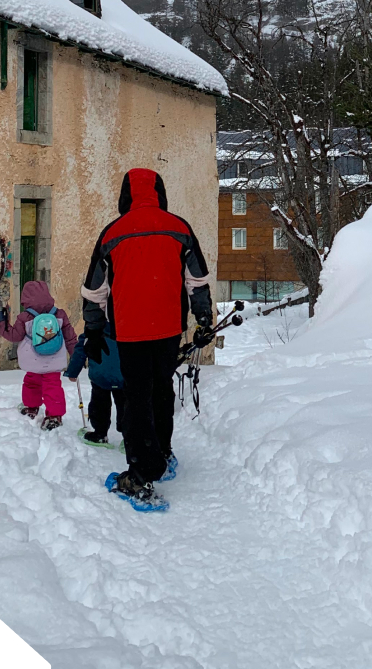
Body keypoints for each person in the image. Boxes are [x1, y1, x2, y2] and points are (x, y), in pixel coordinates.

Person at [82, 168, 213, 503]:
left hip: (130, 330)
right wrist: (202, 317)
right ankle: (163, 452)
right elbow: (196, 280)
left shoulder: (113, 232)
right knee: (161, 389)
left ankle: (141, 472)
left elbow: (95, 290)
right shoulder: (179, 228)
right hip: (168, 327)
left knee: (136, 396)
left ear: (125, 195)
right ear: (160, 193)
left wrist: (93, 330)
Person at [0, 280, 77, 430]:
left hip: (32, 360)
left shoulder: (25, 317)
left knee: (31, 383)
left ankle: (31, 408)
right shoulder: (59, 314)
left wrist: (1, 324)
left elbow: (14, 336)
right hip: (54, 360)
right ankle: (54, 416)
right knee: (53, 387)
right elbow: (70, 337)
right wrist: (75, 355)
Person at [65, 319, 125, 446]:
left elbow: (80, 351)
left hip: (100, 376)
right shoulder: (126, 327)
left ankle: (100, 434)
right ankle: (129, 437)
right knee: (126, 405)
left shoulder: (92, 329)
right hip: (123, 377)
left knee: (99, 405)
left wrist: (73, 371)